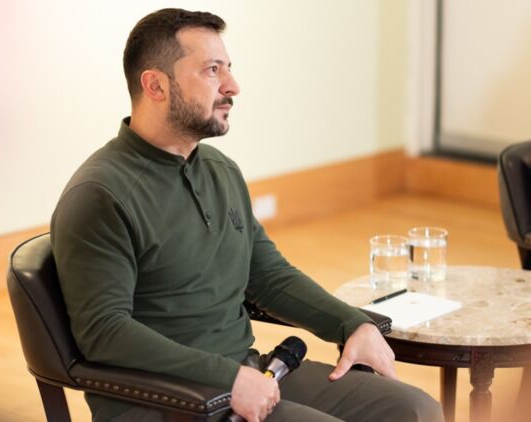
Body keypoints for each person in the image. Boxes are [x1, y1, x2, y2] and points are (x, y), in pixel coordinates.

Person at [50, 8, 443, 422]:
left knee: (415, 410)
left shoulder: (220, 170)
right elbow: (103, 332)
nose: (232, 86)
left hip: (250, 373)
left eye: (228, 68)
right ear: (156, 85)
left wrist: (351, 323)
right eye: (212, 70)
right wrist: (228, 377)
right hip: (166, 401)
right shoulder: (99, 195)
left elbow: (267, 274)